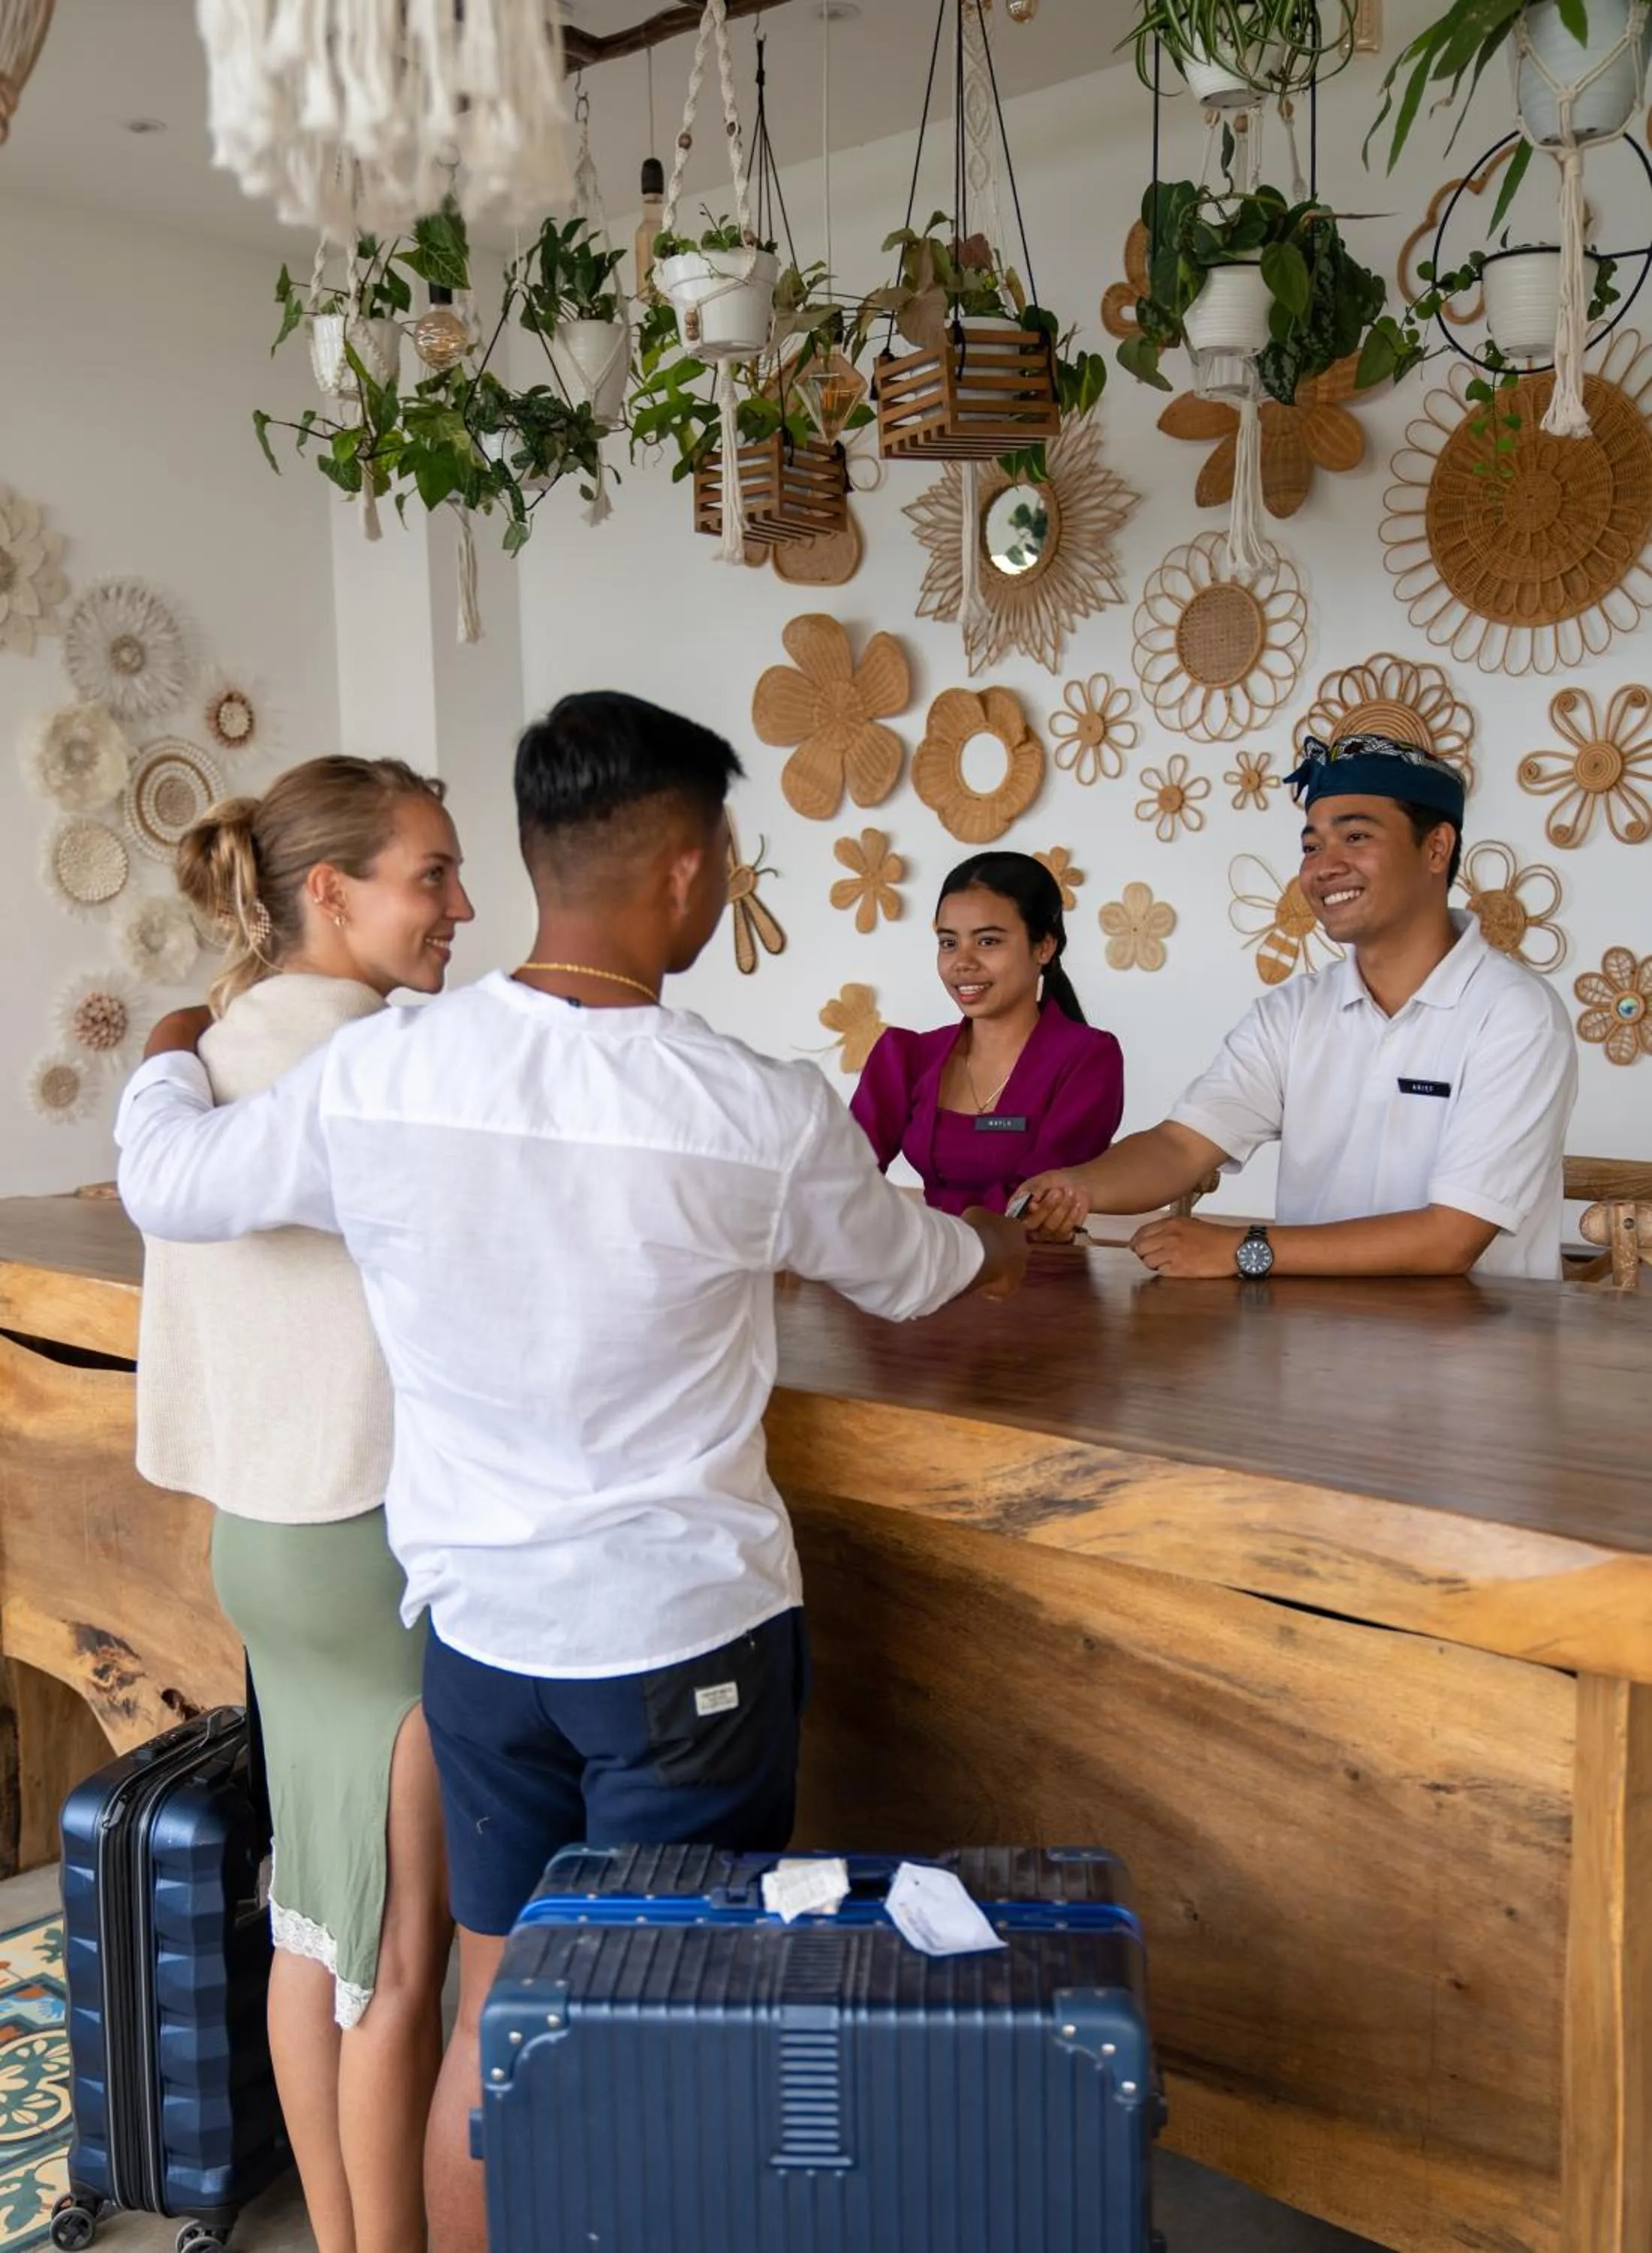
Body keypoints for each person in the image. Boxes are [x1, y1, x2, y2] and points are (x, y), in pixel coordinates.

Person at [116, 692, 1027, 2253]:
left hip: (477, 1647)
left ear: (537, 859)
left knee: (500, 2020)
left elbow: (170, 1179)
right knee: (670, 2041)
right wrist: (1007, 1241)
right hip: (683, 1653)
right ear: (683, 869)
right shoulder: (755, 1107)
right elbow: (920, 1275)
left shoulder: (382, 1076)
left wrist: (171, 1040)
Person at [134, 758, 471, 2253]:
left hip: (264, 1543)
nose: (461, 906)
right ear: (326, 891)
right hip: (371, 1538)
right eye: (432, 874)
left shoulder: (207, 1054)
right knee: (402, 1960)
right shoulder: (389, 1067)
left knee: (310, 1925)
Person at [1016, 731, 1577, 1279]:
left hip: (1479, 1356)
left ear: (1436, 848)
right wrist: (1074, 1187)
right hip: (1308, 1347)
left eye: (1355, 837)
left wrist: (1243, 1249)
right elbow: (1181, 1145)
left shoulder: (1516, 1015)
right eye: (1311, 846)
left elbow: (1450, 1240)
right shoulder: (1292, 1012)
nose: (1322, 867)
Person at [850, 849, 1124, 1214]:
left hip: (1036, 1268)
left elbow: (1033, 1201)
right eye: (949, 943)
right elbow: (844, 1174)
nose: (962, 963)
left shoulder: (1087, 1059)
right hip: (928, 1262)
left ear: (1044, 946)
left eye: (987, 941)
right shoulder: (907, 1056)